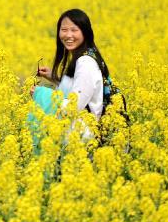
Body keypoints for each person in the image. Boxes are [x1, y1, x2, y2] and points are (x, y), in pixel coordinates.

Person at [34, 9, 111, 142]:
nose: (68, 35)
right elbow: (81, 91)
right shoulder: (83, 56)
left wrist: (40, 93)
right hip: (74, 137)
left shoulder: (86, 63)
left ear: (85, 33)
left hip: (81, 140)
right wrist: (55, 78)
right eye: (64, 30)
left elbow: (72, 107)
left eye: (74, 30)